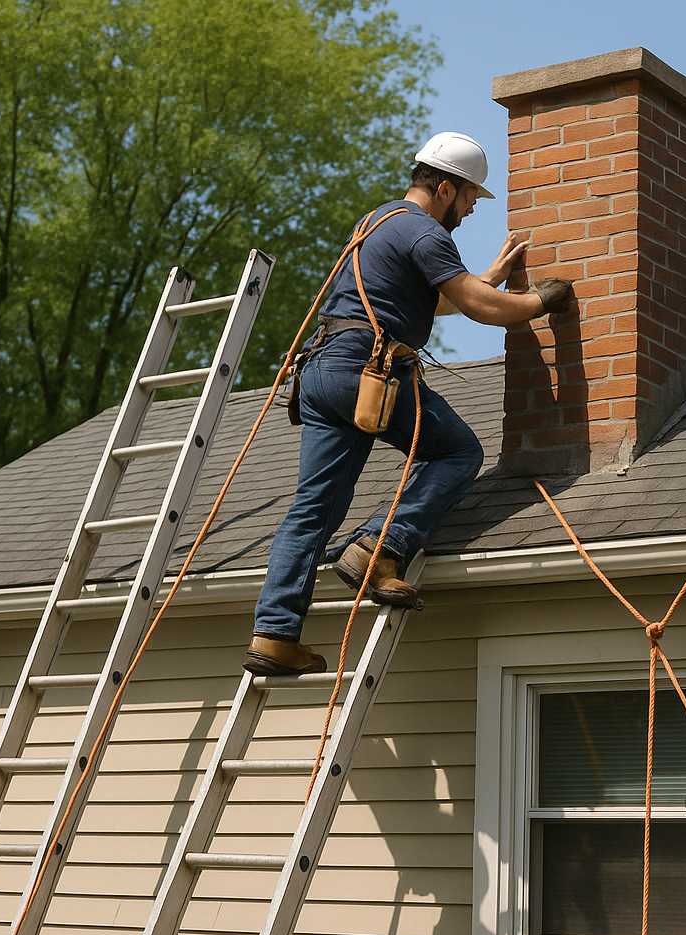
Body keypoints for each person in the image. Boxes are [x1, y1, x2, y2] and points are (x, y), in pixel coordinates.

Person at [244, 132, 573, 676]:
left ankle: (275, 634)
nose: (469, 211)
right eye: (469, 198)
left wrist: (485, 281)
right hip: (366, 372)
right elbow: (478, 310)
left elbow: (426, 299)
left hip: (323, 371)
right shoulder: (425, 232)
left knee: (313, 508)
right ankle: (379, 548)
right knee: (457, 453)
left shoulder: (375, 221)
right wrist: (540, 300)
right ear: (445, 187)